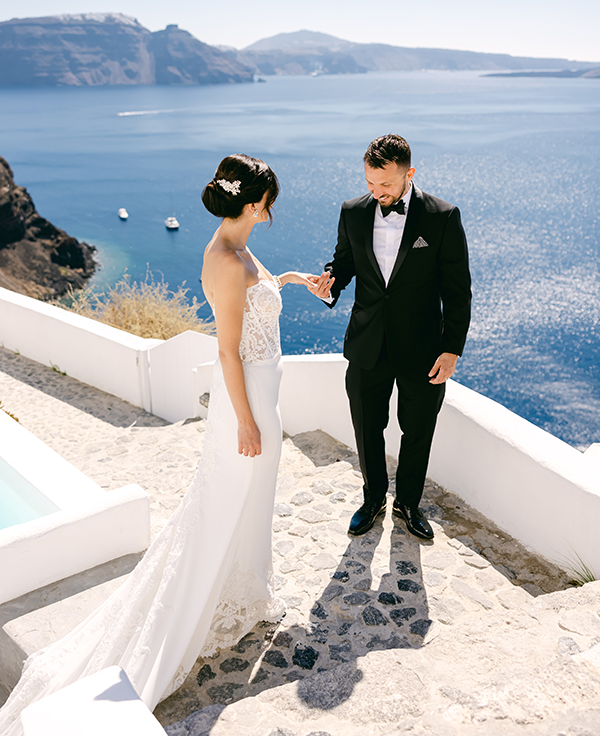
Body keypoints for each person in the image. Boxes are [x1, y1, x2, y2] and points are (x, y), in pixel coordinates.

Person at [0, 154, 330, 736]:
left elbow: (254, 306)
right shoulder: (226, 260)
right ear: (255, 203)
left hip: (261, 395)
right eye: (268, 200)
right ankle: (191, 613)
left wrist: (291, 281)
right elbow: (228, 350)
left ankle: (243, 593)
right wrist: (247, 423)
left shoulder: (234, 247)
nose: (271, 209)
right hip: (247, 402)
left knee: (251, 505)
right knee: (224, 507)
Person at [322, 134, 471, 540]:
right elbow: (344, 263)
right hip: (367, 343)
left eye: (386, 184)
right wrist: (329, 286)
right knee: (367, 427)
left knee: (417, 429)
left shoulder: (442, 216)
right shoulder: (352, 212)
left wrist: (451, 349)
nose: (377, 192)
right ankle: (373, 500)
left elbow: (458, 291)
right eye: (371, 183)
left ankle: (408, 503)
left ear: (410, 173)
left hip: (423, 347)